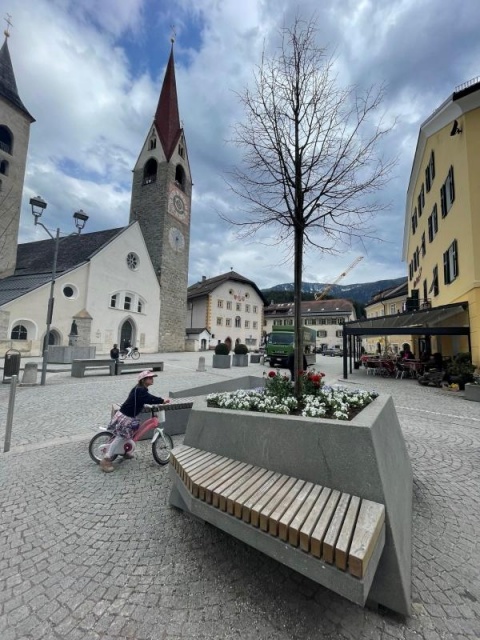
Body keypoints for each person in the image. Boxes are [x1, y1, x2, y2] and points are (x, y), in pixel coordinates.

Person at [100, 370, 170, 473]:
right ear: (143, 380)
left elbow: (142, 400)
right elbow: (149, 398)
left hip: (128, 415)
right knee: (121, 437)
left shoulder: (139, 389)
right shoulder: (141, 391)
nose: (152, 379)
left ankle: (125, 451)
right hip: (126, 417)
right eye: (149, 378)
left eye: (152, 377)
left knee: (129, 435)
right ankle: (106, 459)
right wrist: (162, 400)